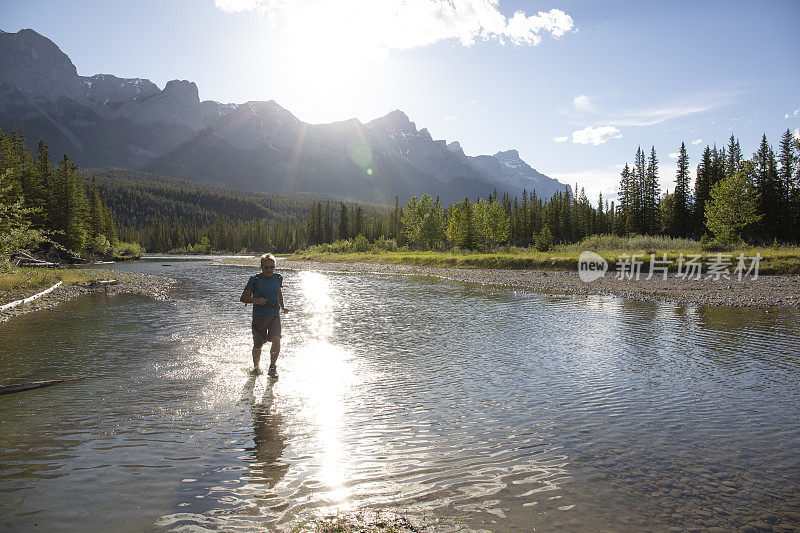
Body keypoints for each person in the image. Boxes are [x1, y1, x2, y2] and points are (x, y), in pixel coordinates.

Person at [240, 254, 288, 377]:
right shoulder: (254, 279)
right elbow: (243, 298)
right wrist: (256, 300)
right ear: (261, 267)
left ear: (275, 267)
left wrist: (283, 306)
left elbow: (279, 292)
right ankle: (256, 368)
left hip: (274, 315)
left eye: (272, 266)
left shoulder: (277, 278)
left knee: (276, 340)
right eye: (266, 267)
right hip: (259, 317)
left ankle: (272, 367)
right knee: (258, 345)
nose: (269, 269)